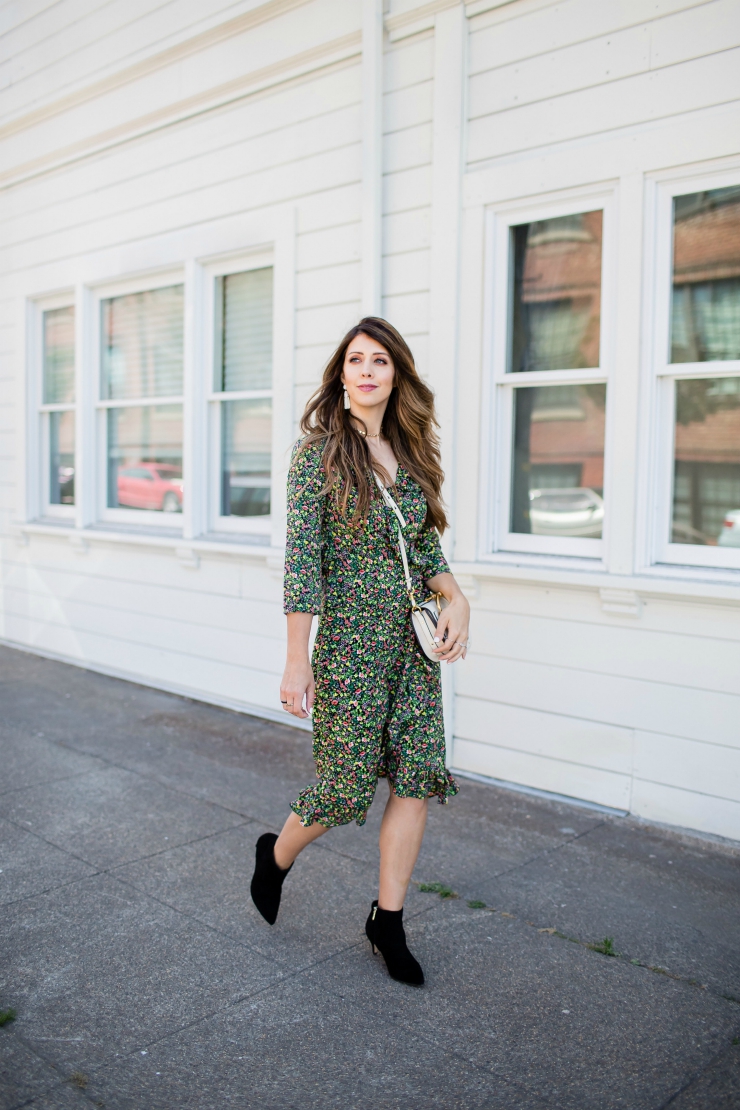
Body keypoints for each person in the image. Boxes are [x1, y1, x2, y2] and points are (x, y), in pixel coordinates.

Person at [250, 317, 470, 986]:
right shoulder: (317, 454)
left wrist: (457, 599)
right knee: (344, 788)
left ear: (396, 373)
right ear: (341, 376)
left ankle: (388, 920)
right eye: (356, 360)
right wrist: (298, 659)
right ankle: (275, 854)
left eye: (380, 360)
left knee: (415, 778)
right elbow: (302, 563)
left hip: (410, 644)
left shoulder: (412, 451)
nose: (368, 370)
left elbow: (425, 547)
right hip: (348, 645)